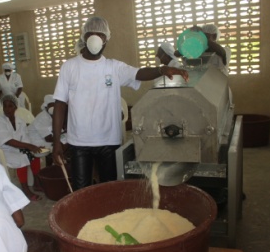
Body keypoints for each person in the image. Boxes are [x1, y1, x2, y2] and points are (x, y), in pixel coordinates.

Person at [52, 16, 189, 190]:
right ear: (84, 37)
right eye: (91, 34)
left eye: (100, 35)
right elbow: (60, 104)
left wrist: (162, 69)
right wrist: (56, 141)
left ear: (106, 39)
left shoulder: (113, 67)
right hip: (79, 141)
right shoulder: (70, 67)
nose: (96, 39)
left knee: (109, 188)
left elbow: (138, 73)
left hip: (108, 139)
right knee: (81, 189)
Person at [0, 94, 43, 201]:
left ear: (16, 107)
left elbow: (25, 138)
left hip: (12, 148)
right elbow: (7, 141)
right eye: (5, 106)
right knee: (21, 158)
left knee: (34, 154)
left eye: (10, 106)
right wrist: (29, 146)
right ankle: (25, 190)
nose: (7, 109)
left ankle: (37, 182)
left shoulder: (20, 121)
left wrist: (33, 147)